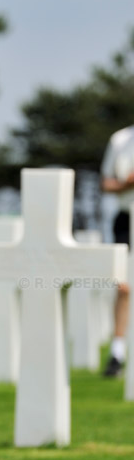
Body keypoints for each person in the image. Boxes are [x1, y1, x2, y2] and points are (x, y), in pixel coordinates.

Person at [100, 125, 134, 377]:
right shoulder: (120, 139)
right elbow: (106, 183)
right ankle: (117, 352)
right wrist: (125, 183)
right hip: (126, 217)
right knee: (123, 285)